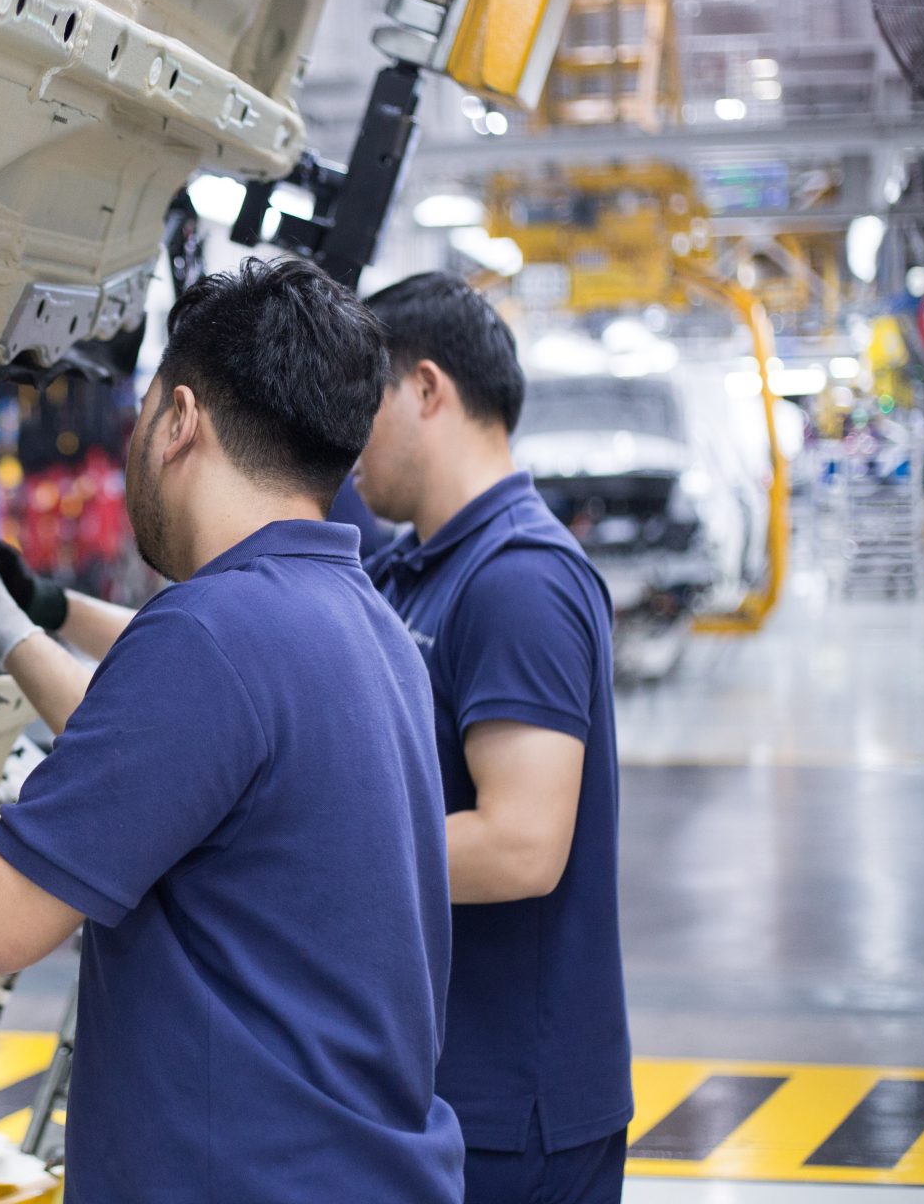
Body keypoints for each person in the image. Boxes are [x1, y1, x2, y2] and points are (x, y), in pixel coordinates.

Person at [0, 257, 463, 1203]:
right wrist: (8, 634)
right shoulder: (365, 625)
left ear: (178, 420)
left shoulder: (213, 632)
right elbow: (173, 777)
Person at [355, 272, 631, 1203]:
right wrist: (44, 614)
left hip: (517, 1114)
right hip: (442, 1085)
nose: (345, 438)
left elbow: (522, 846)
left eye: (364, 398)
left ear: (427, 389)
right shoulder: (416, 569)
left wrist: (306, 864)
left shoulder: (520, 579)